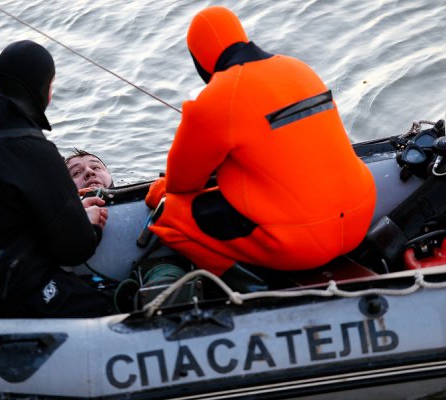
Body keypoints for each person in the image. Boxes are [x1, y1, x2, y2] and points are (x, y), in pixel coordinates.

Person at [145, 6, 377, 285]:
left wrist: (159, 191)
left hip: (300, 243)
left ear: (199, 59)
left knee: (167, 210)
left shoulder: (215, 98)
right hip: (361, 214)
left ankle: (251, 285)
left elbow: (181, 185)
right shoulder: (299, 68)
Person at [0, 40, 115, 318]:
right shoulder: (33, 150)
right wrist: (89, 224)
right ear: (44, 90)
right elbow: (75, 250)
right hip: (17, 297)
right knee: (116, 302)